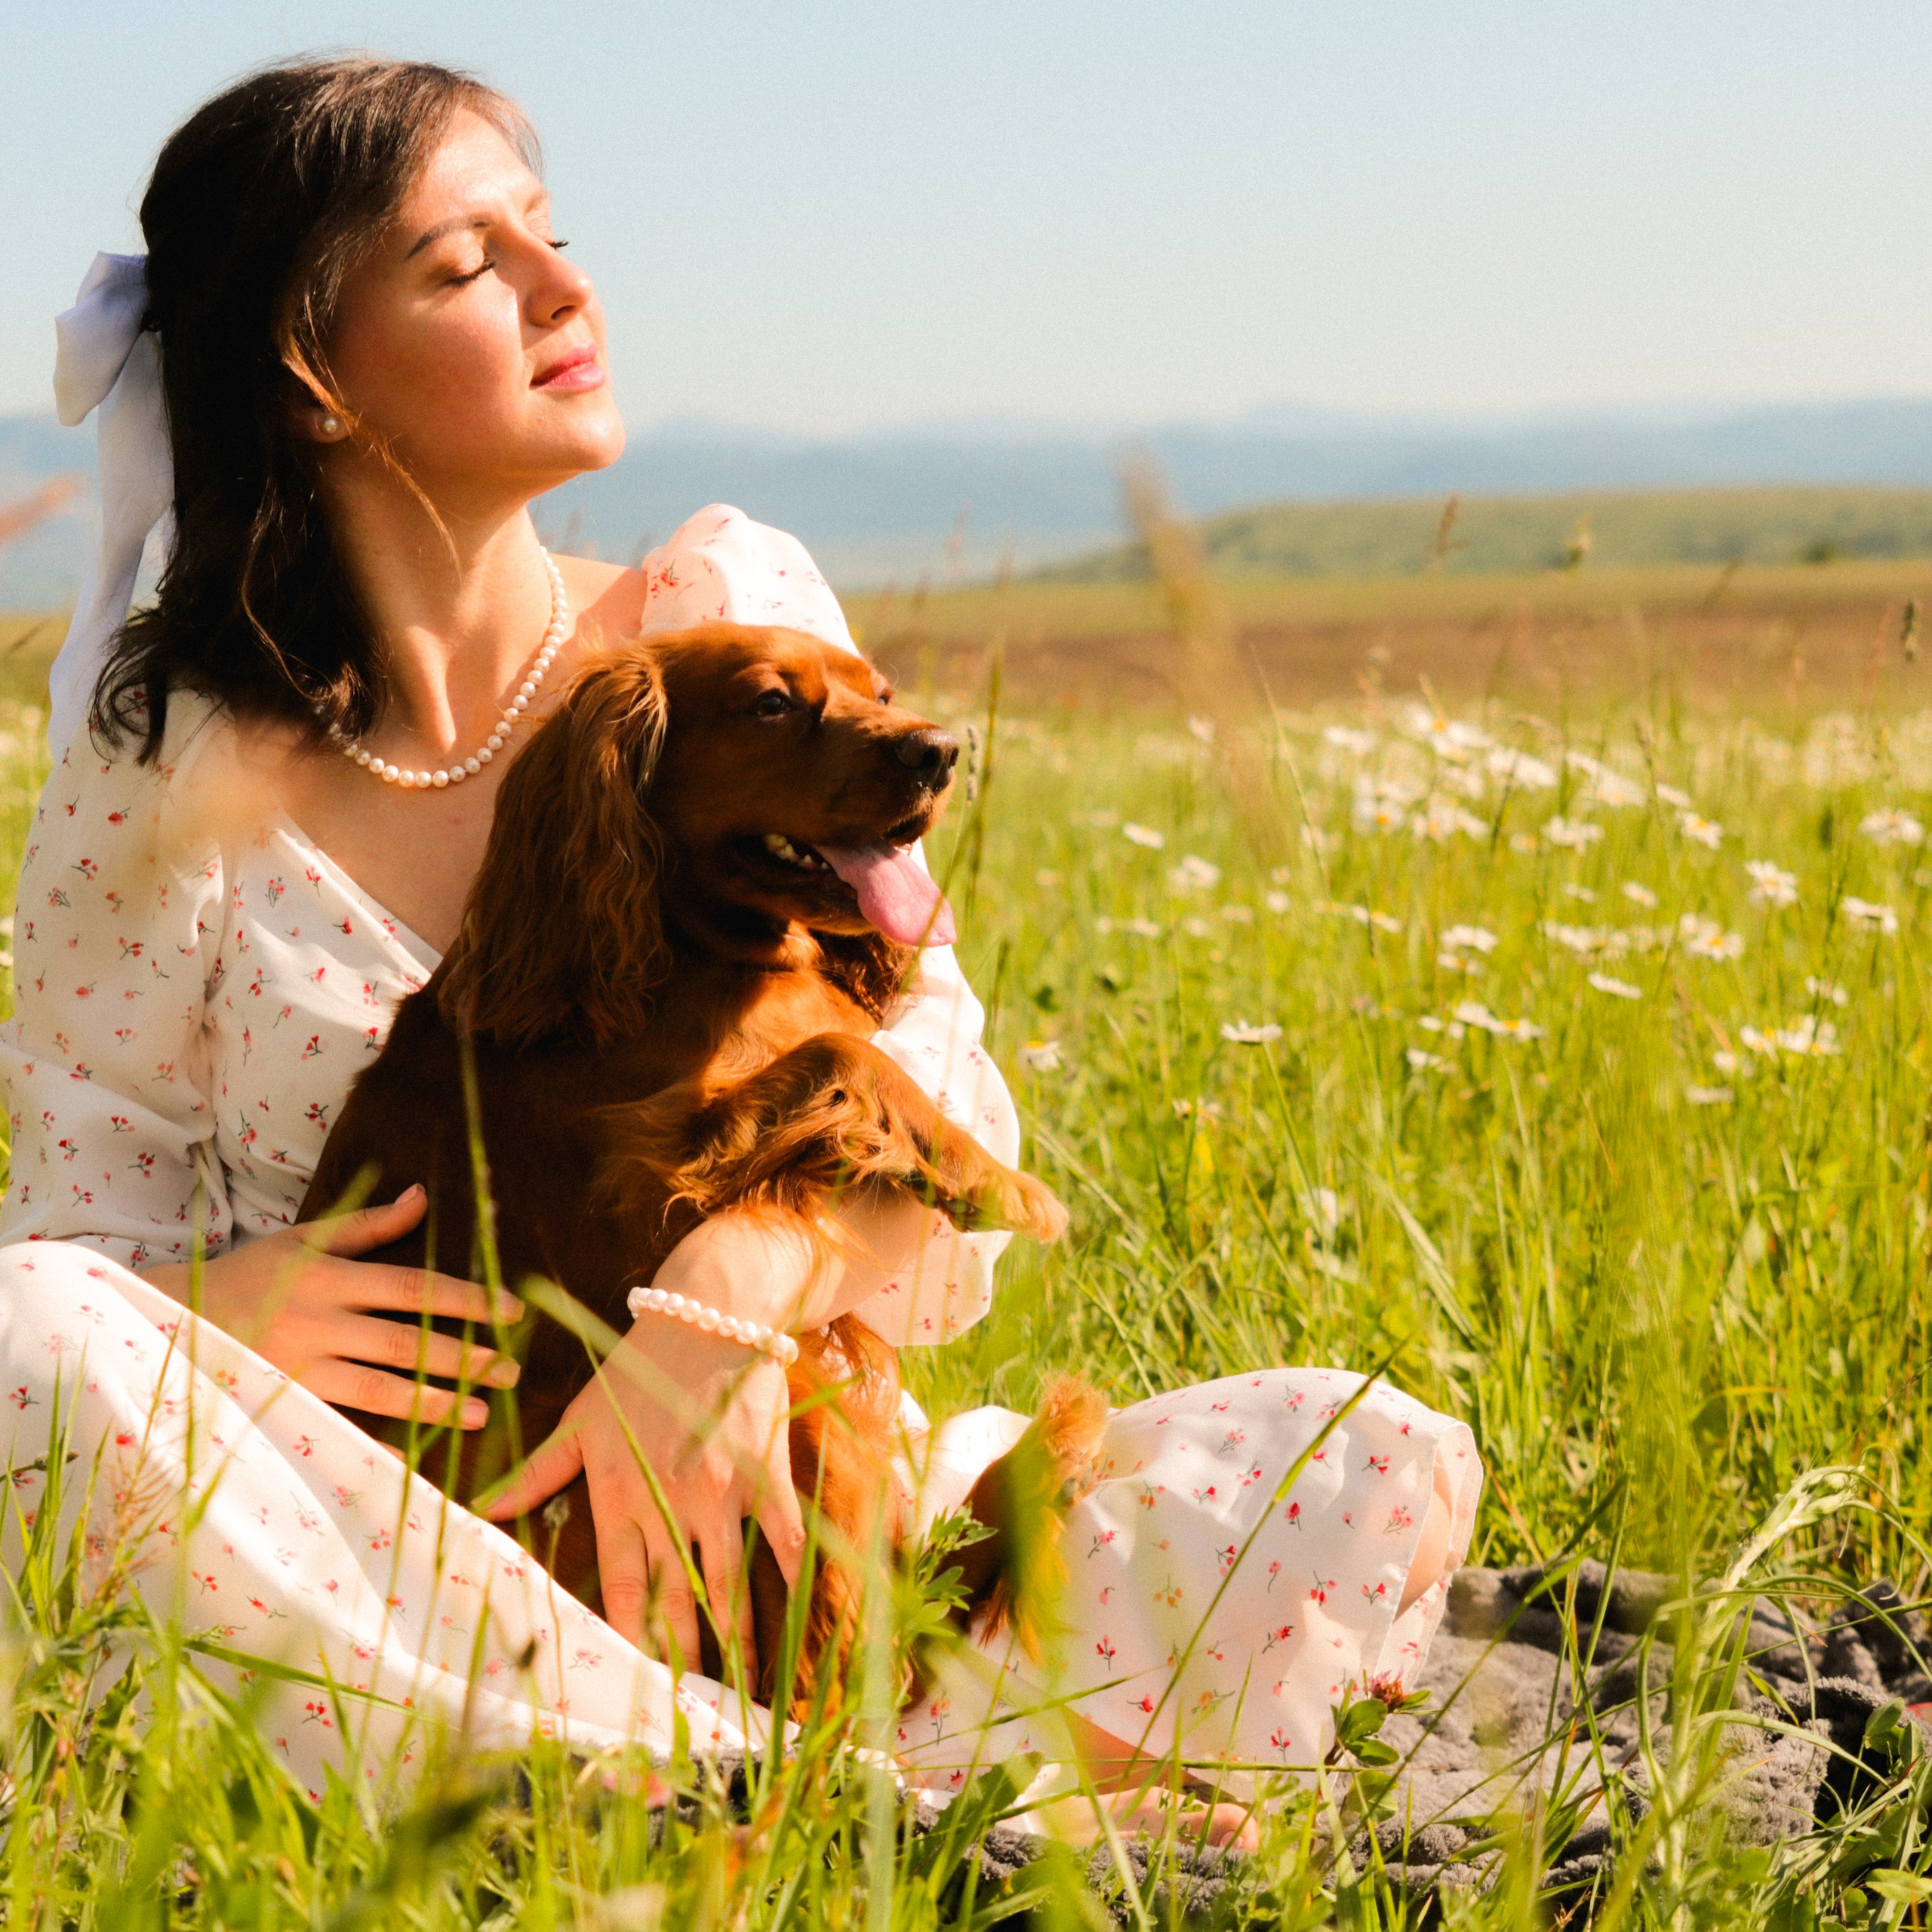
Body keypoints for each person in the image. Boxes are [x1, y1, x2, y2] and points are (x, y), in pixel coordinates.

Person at [0, 57, 1478, 1829]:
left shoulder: (719, 625)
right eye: (468, 265)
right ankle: (826, 1799)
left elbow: (935, 1112)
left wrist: (727, 1304)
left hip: (779, 1514)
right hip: (362, 1533)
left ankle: (785, 1774)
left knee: (1357, 1446)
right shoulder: (168, 772)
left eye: (554, 237)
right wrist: (206, 1318)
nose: (565, 290)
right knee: (26, 1342)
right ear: (310, 376)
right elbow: (74, 1222)